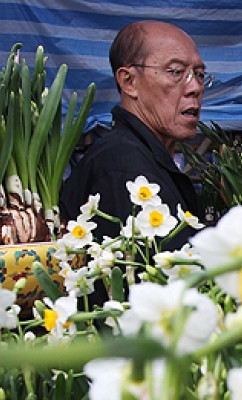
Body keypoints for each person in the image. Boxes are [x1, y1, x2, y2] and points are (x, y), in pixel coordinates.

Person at [59, 20, 207, 249]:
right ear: (129, 81)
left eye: (199, 74)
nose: (195, 87)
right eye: (176, 72)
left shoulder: (143, 156)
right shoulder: (123, 166)